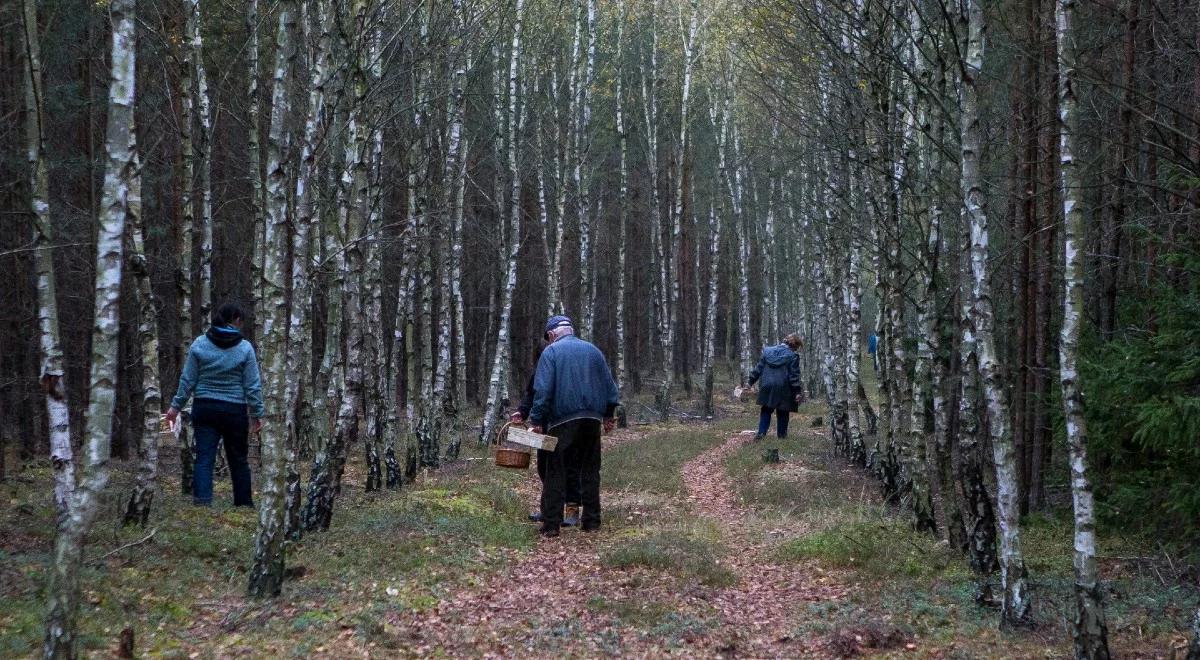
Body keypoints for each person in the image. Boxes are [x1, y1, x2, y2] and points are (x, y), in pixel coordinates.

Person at [529, 315, 619, 538]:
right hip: (592, 419)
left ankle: (551, 525)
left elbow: (543, 390)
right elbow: (610, 387)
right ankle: (591, 521)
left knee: (555, 470)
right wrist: (608, 414)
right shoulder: (594, 351)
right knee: (590, 469)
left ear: (551, 335)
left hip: (562, 419)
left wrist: (537, 420)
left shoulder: (551, 353)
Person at [166, 303, 264, 507]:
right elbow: (252, 386)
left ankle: (202, 502)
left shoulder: (200, 344)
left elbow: (188, 380)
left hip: (205, 408)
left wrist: (175, 407)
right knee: (238, 459)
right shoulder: (245, 348)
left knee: (204, 458)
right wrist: (257, 413)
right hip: (234, 410)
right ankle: (244, 504)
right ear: (236, 319)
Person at [511, 341, 583, 527]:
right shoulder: (538, 374)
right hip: (544, 427)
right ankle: (550, 511)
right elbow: (532, 396)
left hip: (568, 425)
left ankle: (572, 510)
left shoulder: (570, 373)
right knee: (545, 467)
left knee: (571, 468)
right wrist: (522, 412)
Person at [747, 333, 806, 441]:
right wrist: (797, 391)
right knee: (783, 411)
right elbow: (794, 375)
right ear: (795, 345)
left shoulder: (768, 351)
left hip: (766, 385)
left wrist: (750, 382)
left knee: (766, 410)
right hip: (783, 387)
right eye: (797, 348)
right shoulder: (793, 356)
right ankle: (782, 437)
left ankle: (761, 434)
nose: (796, 350)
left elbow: (758, 369)